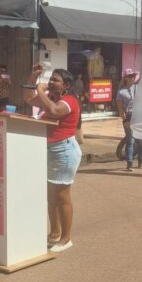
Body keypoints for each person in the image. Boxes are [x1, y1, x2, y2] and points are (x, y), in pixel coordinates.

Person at [24, 64, 82, 253]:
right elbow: (28, 99)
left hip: (64, 151)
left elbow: (55, 111)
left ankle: (66, 238)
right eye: (50, 79)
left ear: (66, 85)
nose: (51, 82)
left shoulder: (69, 101)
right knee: (51, 197)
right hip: (50, 150)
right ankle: (54, 233)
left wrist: (41, 91)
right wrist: (33, 78)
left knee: (62, 196)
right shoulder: (51, 98)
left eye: (55, 80)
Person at [117, 68, 142, 171]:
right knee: (130, 140)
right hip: (129, 116)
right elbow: (120, 109)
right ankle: (130, 163)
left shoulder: (138, 88)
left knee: (141, 140)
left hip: (139, 116)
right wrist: (125, 120)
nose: (132, 78)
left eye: (133, 76)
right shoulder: (121, 92)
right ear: (126, 78)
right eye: (130, 76)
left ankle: (141, 160)